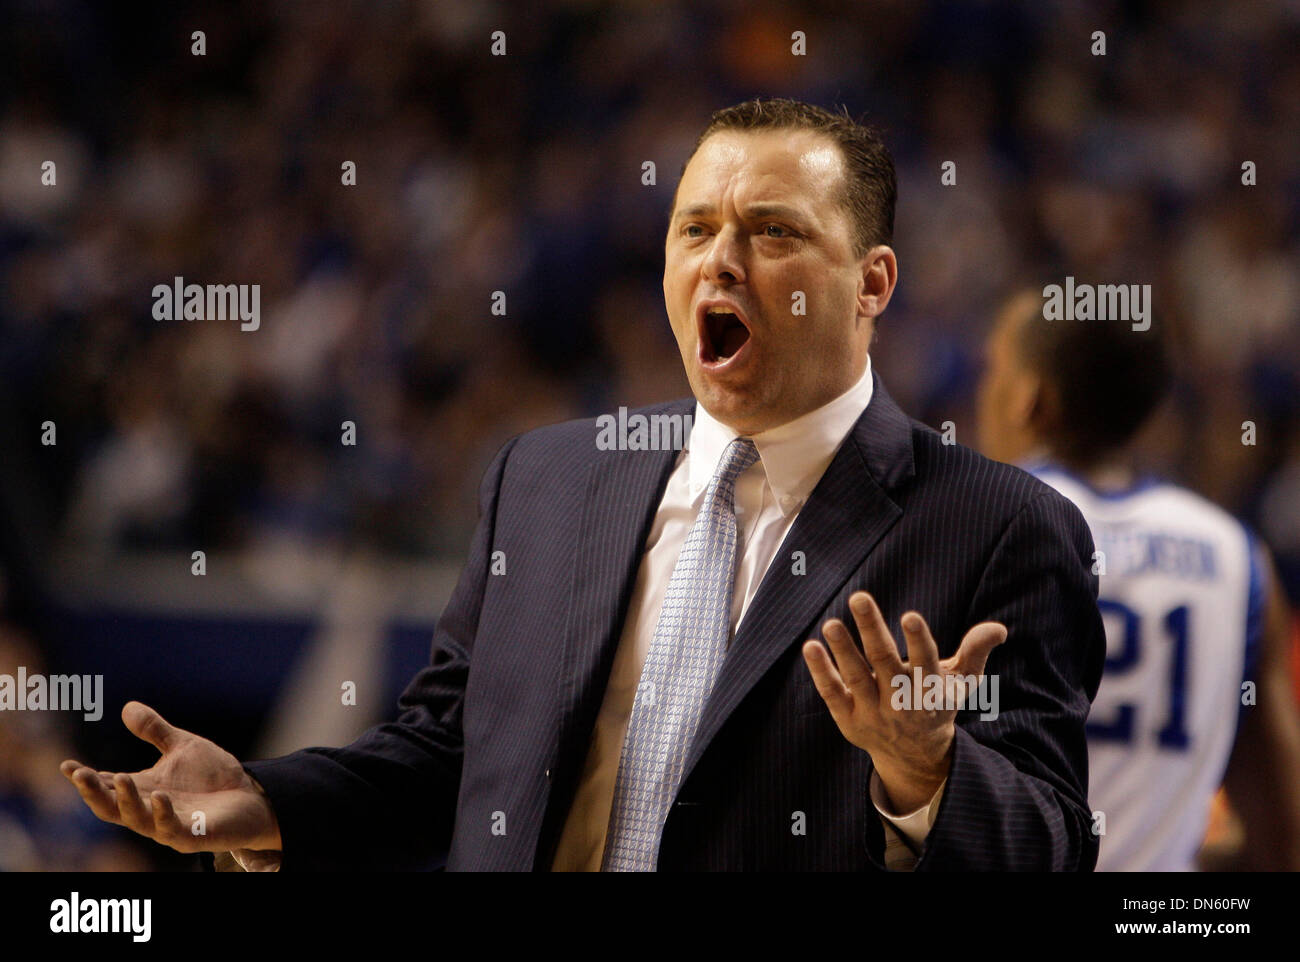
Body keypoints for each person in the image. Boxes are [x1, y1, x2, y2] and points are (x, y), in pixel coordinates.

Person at [62, 98, 1105, 871]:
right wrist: (268, 795)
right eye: (695, 228)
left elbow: (1053, 847)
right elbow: (451, 746)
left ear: (872, 280)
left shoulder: (999, 526)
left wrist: (925, 774)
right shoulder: (548, 478)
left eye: (773, 230)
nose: (721, 260)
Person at [975, 289, 1300, 870]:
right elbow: (1283, 831)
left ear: (1028, 400)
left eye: (993, 369)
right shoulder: (1237, 556)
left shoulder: (974, 520)